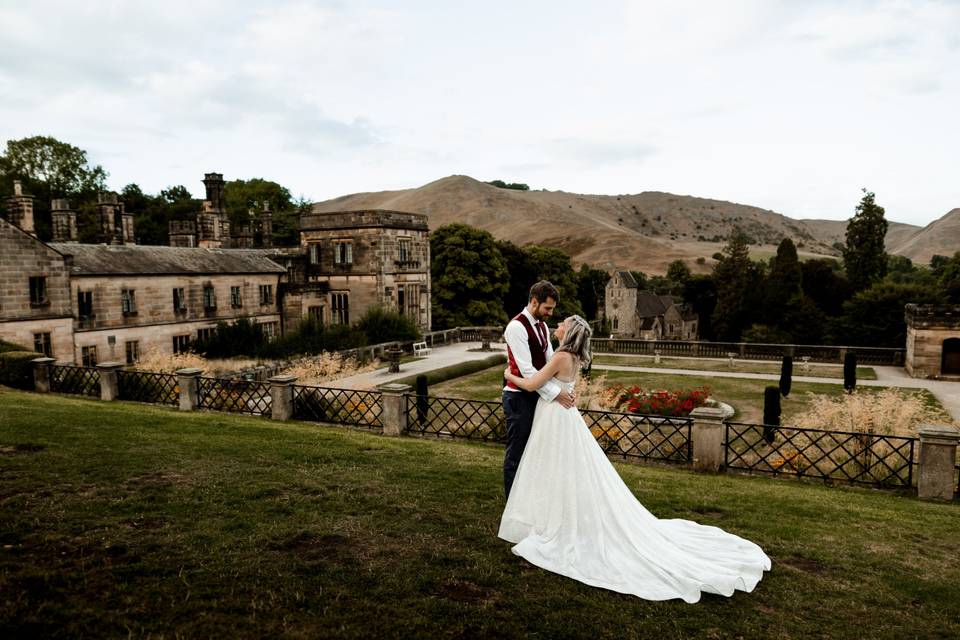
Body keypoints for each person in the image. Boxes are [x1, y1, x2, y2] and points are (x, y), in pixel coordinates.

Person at [499, 315, 771, 603]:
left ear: (570, 331)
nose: (558, 326)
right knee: (566, 469)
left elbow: (530, 385)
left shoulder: (561, 356)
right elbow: (560, 386)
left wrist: (509, 375)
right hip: (564, 415)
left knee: (555, 467)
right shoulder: (575, 357)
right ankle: (555, 515)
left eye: (563, 323)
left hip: (554, 417)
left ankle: (553, 521)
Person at [501, 281, 576, 500]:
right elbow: (527, 371)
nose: (551, 313)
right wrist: (556, 393)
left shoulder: (542, 326)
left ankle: (529, 502)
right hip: (518, 398)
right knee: (517, 454)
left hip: (537, 397)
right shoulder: (516, 327)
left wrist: (565, 385)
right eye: (547, 308)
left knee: (534, 453)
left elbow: (550, 361)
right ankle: (512, 505)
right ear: (534, 302)